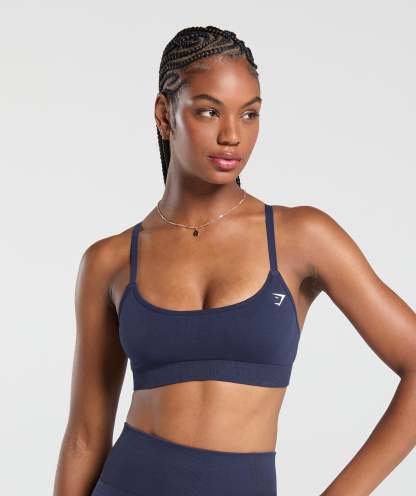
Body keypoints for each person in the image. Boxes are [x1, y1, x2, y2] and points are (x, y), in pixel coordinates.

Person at [53, 25, 416, 496]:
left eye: (250, 114)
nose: (231, 135)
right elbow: (84, 438)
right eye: (209, 111)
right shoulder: (110, 261)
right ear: (164, 115)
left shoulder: (301, 237)